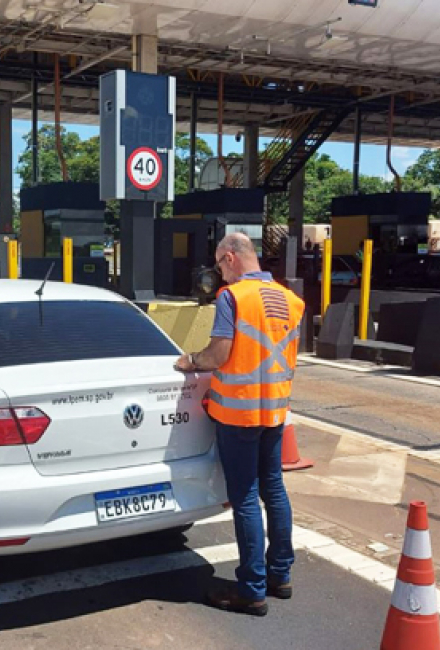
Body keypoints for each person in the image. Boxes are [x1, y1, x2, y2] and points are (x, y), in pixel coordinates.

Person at [175, 232, 305, 617]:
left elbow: (218, 355)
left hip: (238, 414)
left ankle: (252, 589)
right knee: (275, 490)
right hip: (275, 412)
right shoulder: (291, 300)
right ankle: (280, 575)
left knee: (246, 498)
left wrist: (190, 361)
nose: (219, 274)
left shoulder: (232, 298)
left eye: (218, 265)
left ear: (230, 258)